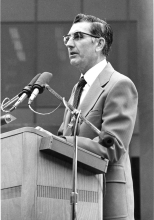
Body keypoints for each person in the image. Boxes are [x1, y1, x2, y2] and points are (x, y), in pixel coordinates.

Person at [36, 14, 138, 220]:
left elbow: (112, 148)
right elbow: (64, 138)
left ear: (99, 43)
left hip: (106, 200)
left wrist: (60, 142)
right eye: (68, 38)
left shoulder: (119, 84)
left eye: (78, 37)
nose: (69, 44)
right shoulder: (77, 89)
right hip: (73, 200)